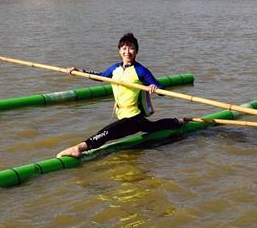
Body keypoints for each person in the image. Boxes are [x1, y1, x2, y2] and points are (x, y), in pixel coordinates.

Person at [56, 33, 190, 158]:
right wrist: (79, 71)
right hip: (122, 113)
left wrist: (154, 88)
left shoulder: (141, 70)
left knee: (108, 132)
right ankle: (177, 121)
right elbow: (100, 76)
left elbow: (161, 89)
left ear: (136, 51)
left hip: (133, 116)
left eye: (131, 48)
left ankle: (79, 148)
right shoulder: (114, 69)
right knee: (152, 127)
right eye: (124, 48)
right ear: (119, 51)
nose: (128, 52)